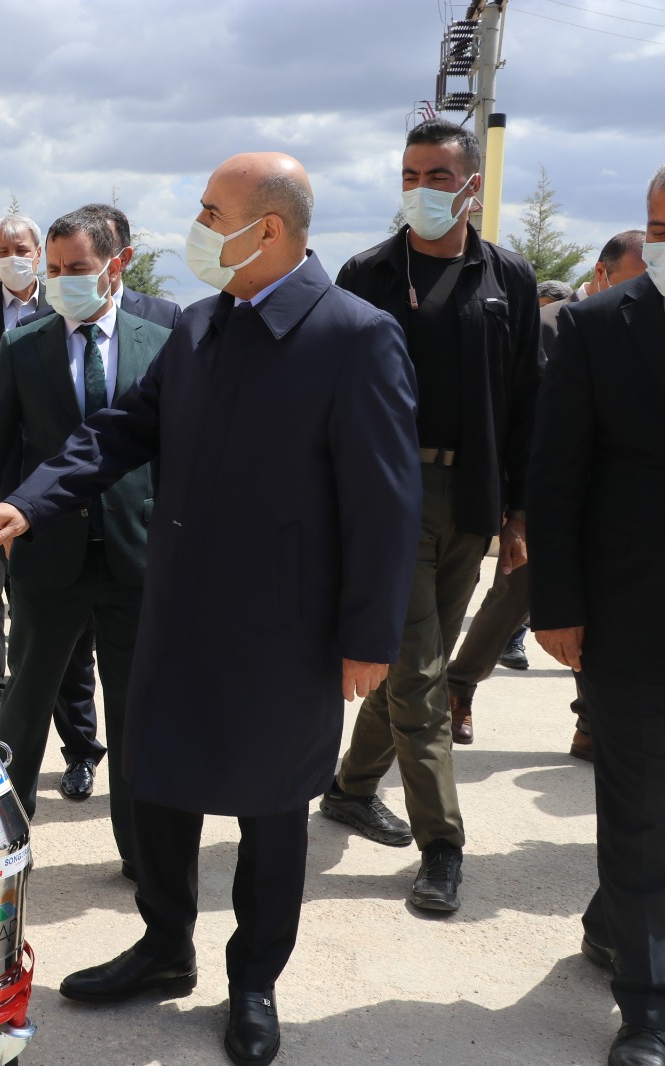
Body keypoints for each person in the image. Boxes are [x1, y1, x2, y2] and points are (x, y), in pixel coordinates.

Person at [0, 153, 419, 1066]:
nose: (197, 223)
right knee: (158, 779)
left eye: (211, 210)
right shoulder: (201, 328)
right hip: (176, 601)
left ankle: (254, 980)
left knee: (272, 807)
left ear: (269, 229)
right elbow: (120, 430)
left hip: (283, 626)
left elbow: (385, 502)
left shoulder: (355, 336)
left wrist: (369, 635)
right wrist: (29, 500)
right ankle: (166, 947)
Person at [320, 119, 540, 916]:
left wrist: (519, 511)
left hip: (472, 495)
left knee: (419, 660)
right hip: (386, 498)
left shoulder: (505, 277)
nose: (422, 188)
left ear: (473, 185)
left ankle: (349, 789)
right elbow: (329, 390)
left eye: (439, 176)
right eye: (411, 173)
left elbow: (526, 404)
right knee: (420, 677)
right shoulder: (367, 272)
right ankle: (442, 842)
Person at [0, 207, 169, 880]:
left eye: (76, 269)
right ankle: (3, 843)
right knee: (24, 707)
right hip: (47, 561)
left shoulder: (164, 336)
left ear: (117, 263)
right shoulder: (24, 348)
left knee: (136, 714)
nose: (60, 282)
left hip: (138, 559)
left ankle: (143, 853)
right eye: (53, 270)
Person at [529, 166, 665, 1066]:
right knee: (639, 806)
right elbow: (558, 477)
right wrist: (558, 607)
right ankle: (648, 1007)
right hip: (632, 615)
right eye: (659, 223)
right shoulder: (593, 328)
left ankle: (608, 916)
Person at [446, 228, 649, 754]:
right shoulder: (552, 325)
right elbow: (525, 414)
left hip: (608, 509)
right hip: (546, 497)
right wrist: (519, 504)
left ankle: (588, 723)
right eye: (639, 277)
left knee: (597, 610)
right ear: (603, 274)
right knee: (515, 593)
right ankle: (458, 687)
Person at [0, 213, 106, 802]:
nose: (14, 258)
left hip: (80, 503)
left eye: (22, 249)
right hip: (7, 493)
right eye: (1, 250)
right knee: (27, 630)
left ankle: (81, 750)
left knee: (77, 646)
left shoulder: (97, 319)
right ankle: (1, 726)